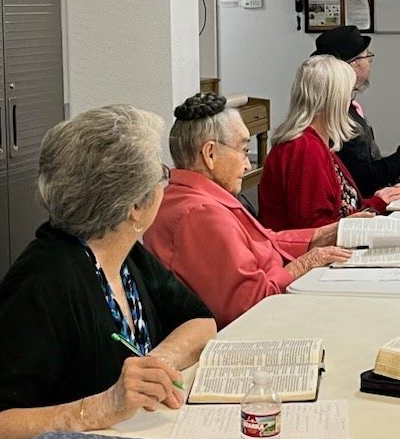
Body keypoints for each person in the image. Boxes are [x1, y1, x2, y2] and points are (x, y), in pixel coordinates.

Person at [0, 106, 218, 439]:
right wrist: (101, 407)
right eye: (160, 174)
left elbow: (200, 321)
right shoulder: (42, 283)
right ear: (134, 207)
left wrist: (159, 364)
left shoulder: (124, 255)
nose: (165, 181)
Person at [145, 92, 353, 328]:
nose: (247, 164)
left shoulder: (191, 198)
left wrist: (320, 236)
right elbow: (248, 306)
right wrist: (304, 263)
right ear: (210, 154)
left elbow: (263, 241)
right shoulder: (201, 214)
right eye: (244, 150)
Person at [259, 55, 400, 229]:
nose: (351, 102)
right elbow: (316, 230)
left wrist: (379, 200)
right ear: (334, 100)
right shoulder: (304, 148)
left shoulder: (316, 141)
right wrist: (375, 206)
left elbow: (342, 211)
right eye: (349, 94)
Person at [313, 25, 400, 196]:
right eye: (368, 57)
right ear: (352, 65)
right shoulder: (338, 116)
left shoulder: (344, 107)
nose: (369, 63)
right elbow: (364, 178)